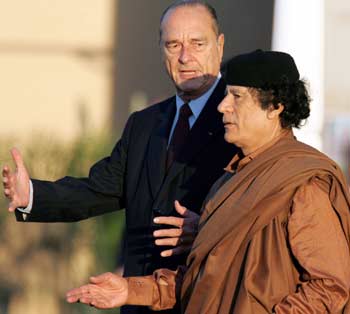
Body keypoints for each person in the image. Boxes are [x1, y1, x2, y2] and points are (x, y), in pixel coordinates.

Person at [66, 50, 350, 313]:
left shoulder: (304, 182)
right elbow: (204, 280)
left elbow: (330, 287)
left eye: (237, 96)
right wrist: (131, 289)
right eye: (225, 95)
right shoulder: (229, 179)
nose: (223, 106)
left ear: (275, 106)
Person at [2, 1, 236, 313]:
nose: (184, 56)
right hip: (137, 303)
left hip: (204, 301)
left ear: (219, 46)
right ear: (161, 50)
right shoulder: (145, 123)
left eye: (197, 43)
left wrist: (208, 227)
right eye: (173, 44)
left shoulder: (242, 118)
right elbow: (100, 189)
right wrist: (31, 194)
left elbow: (264, 208)